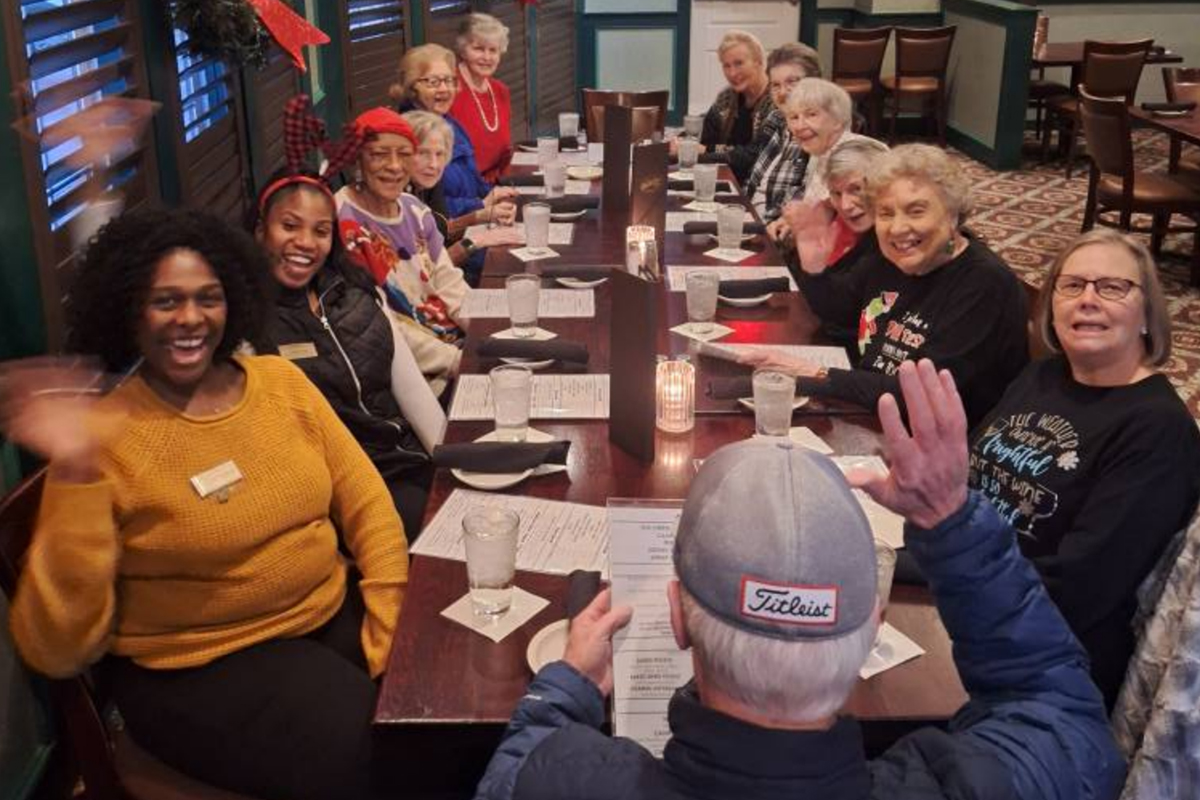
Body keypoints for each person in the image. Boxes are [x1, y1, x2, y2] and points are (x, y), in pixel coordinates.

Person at [474, 359, 1125, 800]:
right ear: (873, 627)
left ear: (676, 616)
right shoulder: (987, 781)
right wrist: (949, 519)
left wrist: (570, 686)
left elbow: (518, 760)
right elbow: (1057, 707)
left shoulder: (565, 776)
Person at [3, 208, 408, 800]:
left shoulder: (281, 384)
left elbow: (369, 506)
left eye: (207, 297)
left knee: (446, 707)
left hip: (322, 615)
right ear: (128, 310)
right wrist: (77, 471)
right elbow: (55, 645)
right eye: (165, 301)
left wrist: (391, 613)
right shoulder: (99, 439)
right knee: (389, 759)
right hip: (196, 668)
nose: (189, 319)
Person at [968, 229, 1200, 709]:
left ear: (1147, 315)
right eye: (1071, 286)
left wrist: (949, 577)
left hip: (1048, 653)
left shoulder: (1157, 430)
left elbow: (1077, 590)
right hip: (972, 582)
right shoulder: (1044, 374)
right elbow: (969, 480)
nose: (1088, 300)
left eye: (1112, 287)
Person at [744, 144, 1029, 428]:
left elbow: (917, 395)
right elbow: (837, 309)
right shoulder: (889, 257)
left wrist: (816, 373)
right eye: (886, 213)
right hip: (873, 415)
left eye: (916, 211)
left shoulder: (984, 283)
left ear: (953, 215)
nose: (898, 228)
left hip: (937, 445)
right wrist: (814, 264)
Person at [252, 167, 447, 539]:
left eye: (320, 231)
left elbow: (411, 390)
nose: (306, 242)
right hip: (332, 490)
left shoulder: (355, 290)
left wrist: (450, 467)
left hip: (401, 461)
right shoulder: (248, 323)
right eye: (290, 226)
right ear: (261, 230)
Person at [336, 106, 467, 397]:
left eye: (404, 154)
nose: (394, 166)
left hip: (457, 347)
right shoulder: (343, 223)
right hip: (418, 380)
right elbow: (382, 327)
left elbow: (450, 283)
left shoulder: (415, 209)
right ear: (357, 158)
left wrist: (485, 335)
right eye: (379, 154)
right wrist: (458, 362)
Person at [400, 108, 521, 285]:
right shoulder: (397, 199)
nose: (433, 164)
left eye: (439, 154)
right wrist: (475, 241)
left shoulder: (428, 183)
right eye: (423, 153)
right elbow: (424, 275)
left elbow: (443, 229)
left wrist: (482, 214)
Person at [788, 136, 890, 343]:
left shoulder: (890, 243)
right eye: (836, 193)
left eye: (856, 190)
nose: (846, 205)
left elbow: (843, 316)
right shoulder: (829, 217)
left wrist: (815, 274)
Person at [741, 43, 823, 222]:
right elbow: (752, 171)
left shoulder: (821, 135)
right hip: (747, 216)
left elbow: (807, 202)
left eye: (792, 82)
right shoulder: (777, 118)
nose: (782, 92)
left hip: (772, 234)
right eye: (775, 85)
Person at [448, 13, 513, 183]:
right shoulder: (449, 88)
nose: (487, 57)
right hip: (461, 190)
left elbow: (505, 154)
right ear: (463, 50)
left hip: (497, 186)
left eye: (493, 50)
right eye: (478, 49)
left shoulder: (501, 90)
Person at [700, 31, 772, 156]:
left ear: (759, 62)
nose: (732, 73)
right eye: (726, 66)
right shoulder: (725, 98)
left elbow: (755, 153)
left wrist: (711, 151)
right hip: (725, 172)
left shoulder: (776, 100)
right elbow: (707, 143)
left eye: (739, 63)